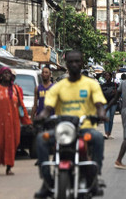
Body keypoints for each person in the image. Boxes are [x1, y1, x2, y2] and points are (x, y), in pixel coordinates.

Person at [34, 51, 107, 198]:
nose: (74, 64)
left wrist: (101, 114)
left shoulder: (91, 84)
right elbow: (48, 108)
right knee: (41, 139)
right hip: (64, 130)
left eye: (77, 61)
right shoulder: (58, 87)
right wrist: (40, 117)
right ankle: (47, 180)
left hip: (84, 128)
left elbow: (99, 104)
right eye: (71, 62)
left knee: (98, 138)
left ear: (82, 63)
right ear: (66, 64)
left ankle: (94, 176)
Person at [0, 67, 31, 176]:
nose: (7, 75)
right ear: (0, 76)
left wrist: (26, 121)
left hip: (13, 122)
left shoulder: (15, 89)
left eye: (8, 73)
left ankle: (9, 167)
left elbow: (21, 106)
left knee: (12, 144)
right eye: (4, 73)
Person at [101, 71, 118, 139]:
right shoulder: (102, 85)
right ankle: (106, 133)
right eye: (106, 75)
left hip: (113, 104)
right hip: (105, 103)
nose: (107, 77)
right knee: (106, 117)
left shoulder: (115, 85)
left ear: (111, 77)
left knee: (111, 118)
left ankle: (109, 133)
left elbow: (118, 94)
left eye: (108, 75)